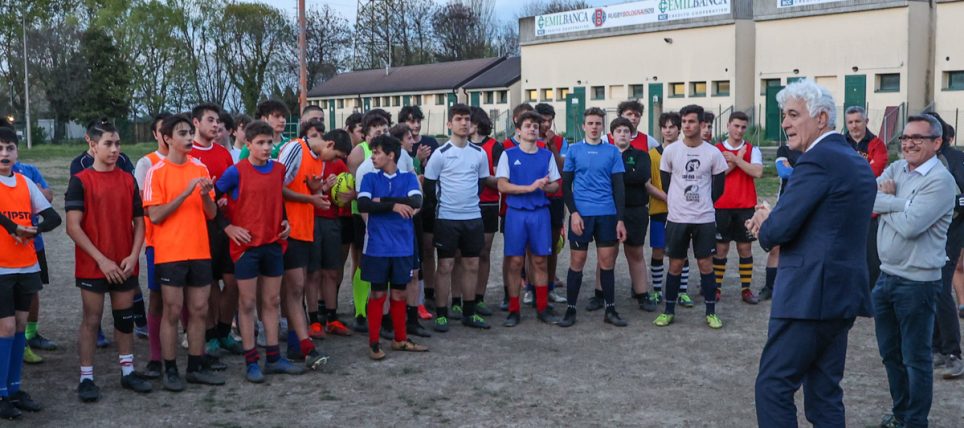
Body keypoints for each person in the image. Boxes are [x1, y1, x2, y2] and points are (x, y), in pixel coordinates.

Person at [748, 80, 876, 427]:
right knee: (824, 394)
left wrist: (765, 219)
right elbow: (824, 221)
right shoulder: (852, 159)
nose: (785, 123)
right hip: (840, 295)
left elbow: (776, 232)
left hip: (809, 296)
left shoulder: (817, 160)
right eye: (783, 115)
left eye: (793, 114)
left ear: (821, 118)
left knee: (773, 386)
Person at [871, 114, 955, 428]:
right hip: (886, 278)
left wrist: (888, 200)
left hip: (918, 284)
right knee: (890, 355)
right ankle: (901, 412)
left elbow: (910, 227)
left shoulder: (941, 181)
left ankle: (915, 421)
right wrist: (899, 202)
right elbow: (871, 196)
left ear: (937, 142)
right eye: (905, 137)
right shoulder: (896, 168)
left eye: (917, 138)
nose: (908, 143)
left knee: (915, 359)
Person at [65, 119, 153, 401]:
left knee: (124, 320)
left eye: (117, 143)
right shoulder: (80, 181)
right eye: (108, 144)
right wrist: (101, 260)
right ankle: (86, 378)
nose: (115, 149)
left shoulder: (128, 180)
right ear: (91, 145)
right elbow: (73, 226)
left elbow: (139, 222)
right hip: (94, 265)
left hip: (125, 263)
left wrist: (133, 254)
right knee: (91, 320)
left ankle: (128, 372)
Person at [142, 114, 225, 391]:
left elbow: (212, 214)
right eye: (182, 133)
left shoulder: (199, 169)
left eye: (190, 132)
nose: (189, 138)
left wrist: (203, 195)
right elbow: (155, 216)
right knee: (172, 311)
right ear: (167, 138)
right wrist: (185, 193)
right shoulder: (157, 171)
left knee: (199, 310)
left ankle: (195, 365)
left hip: (199, 250)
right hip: (170, 254)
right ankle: (170, 369)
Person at [215, 120, 300, 383]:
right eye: (260, 143)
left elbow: (276, 202)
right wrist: (228, 227)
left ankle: (274, 357)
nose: (266, 147)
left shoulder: (278, 170)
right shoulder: (235, 172)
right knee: (247, 303)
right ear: (248, 144)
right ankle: (251, 361)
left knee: (272, 302)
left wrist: (284, 222)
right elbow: (210, 202)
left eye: (269, 143)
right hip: (246, 248)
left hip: (273, 244)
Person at [0, 123, 61, 419]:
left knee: (21, 327)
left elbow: (53, 217)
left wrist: (31, 229)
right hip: (1, 269)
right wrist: (14, 227)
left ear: (17, 152)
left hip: (26, 266)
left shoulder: (24, 183)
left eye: (9, 148)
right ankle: (1, 393)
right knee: (6, 328)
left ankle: (14, 388)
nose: (4, 153)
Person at [654, 105, 728, 329]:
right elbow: (667, 183)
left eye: (691, 122)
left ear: (702, 124)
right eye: (684, 122)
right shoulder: (671, 151)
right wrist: (679, 203)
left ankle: (710, 312)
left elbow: (718, 189)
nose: (687, 126)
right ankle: (668, 310)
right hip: (677, 218)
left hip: (704, 218)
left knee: (706, 265)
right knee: (675, 264)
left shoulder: (712, 153)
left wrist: (703, 202)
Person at [357, 135, 428, 359]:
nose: (373, 157)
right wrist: (395, 205)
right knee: (378, 293)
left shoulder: (408, 178)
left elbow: (416, 202)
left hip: (402, 247)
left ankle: (400, 339)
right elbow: (363, 203)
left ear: (391, 155)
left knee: (399, 293)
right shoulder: (369, 177)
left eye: (377, 153)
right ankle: (374, 343)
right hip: (377, 247)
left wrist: (382, 202)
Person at [423, 103, 492, 331]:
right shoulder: (440, 154)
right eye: (459, 119)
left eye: (467, 119)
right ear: (449, 124)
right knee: (446, 265)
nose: (464, 123)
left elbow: (481, 182)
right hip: (447, 219)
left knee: (472, 263)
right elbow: (430, 187)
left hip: (473, 218)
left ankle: (469, 311)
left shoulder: (479, 154)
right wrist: (446, 207)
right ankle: (441, 313)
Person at [558, 107, 628, 328]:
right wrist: (574, 213)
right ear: (584, 126)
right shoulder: (574, 151)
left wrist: (620, 219)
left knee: (607, 263)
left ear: (603, 126)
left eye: (598, 123)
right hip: (582, 216)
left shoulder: (612, 152)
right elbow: (566, 185)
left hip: (607, 215)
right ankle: (570, 310)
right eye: (591, 123)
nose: (594, 127)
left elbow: (619, 188)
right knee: (577, 262)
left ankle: (610, 309)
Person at [276, 117, 335, 370]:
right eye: (335, 153)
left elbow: (305, 191)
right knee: (294, 288)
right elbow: (277, 185)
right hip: (289, 229)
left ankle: (297, 344)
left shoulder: (319, 159)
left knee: (296, 288)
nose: (332, 160)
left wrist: (317, 191)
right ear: (327, 142)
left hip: (304, 230)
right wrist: (311, 200)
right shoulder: (296, 149)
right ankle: (299, 344)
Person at [189, 104, 243, 369]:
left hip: (227, 226)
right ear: (196, 123)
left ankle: (224, 331)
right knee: (208, 284)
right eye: (209, 120)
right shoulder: (189, 155)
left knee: (233, 283)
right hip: (201, 229)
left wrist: (224, 201)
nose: (215, 125)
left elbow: (232, 187)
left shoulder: (223, 153)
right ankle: (210, 335)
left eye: (218, 120)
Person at [499, 111, 562, 327]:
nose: (532, 129)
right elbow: (502, 185)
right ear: (518, 130)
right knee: (515, 262)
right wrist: (529, 187)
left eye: (535, 125)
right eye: (528, 125)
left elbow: (556, 184)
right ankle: (513, 309)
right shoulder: (508, 154)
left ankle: (542, 307)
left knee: (540, 261)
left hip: (539, 213)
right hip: (516, 213)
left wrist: (547, 186)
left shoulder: (546, 155)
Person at [304, 125, 354, 339]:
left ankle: (332, 317)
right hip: (312, 220)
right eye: (337, 154)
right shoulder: (308, 159)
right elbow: (299, 190)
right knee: (313, 272)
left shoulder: (339, 164)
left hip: (332, 220)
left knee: (331, 271)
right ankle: (314, 319)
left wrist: (348, 195)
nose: (338, 159)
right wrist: (321, 188)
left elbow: (345, 192)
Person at [712, 111, 763, 305]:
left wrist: (737, 159)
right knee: (721, 249)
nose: (739, 130)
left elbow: (757, 172)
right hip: (722, 206)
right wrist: (737, 161)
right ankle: (716, 288)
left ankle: (746, 289)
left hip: (745, 207)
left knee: (745, 248)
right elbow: (718, 174)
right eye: (736, 126)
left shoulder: (752, 150)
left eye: (743, 127)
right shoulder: (716, 149)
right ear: (728, 125)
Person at [345, 112, 389, 332]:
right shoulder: (358, 154)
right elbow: (352, 189)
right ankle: (361, 310)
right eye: (377, 131)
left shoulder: (391, 152)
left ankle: (381, 308)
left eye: (385, 130)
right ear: (367, 133)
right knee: (362, 261)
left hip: (385, 216)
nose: (382, 134)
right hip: (362, 215)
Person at [10, 160, 55, 364]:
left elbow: (48, 198)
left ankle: (30, 335)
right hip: (6, 250)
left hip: (33, 245)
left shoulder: (28, 171)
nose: (5, 152)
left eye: (9, 147)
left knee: (32, 292)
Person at [610, 117, 658, 312]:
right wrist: (627, 174)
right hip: (610, 210)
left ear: (631, 135)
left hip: (635, 210)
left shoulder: (641, 155)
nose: (622, 134)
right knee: (607, 254)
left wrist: (616, 175)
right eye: (618, 131)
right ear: (612, 135)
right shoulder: (607, 155)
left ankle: (642, 294)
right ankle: (599, 294)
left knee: (635, 253)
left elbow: (642, 176)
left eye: (626, 131)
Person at [759, 142, 802, 301]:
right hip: (784, 205)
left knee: (801, 247)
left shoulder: (814, 149)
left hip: (807, 205)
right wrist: (807, 171)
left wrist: (794, 169)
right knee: (775, 246)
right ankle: (769, 287)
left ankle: (795, 288)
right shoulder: (784, 149)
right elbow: (784, 172)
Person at [468, 107, 500, 319]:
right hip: (465, 206)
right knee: (463, 255)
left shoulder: (494, 146)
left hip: (488, 205)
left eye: (467, 119)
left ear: (477, 123)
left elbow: (499, 181)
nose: (463, 124)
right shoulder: (461, 146)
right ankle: (460, 299)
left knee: (483, 253)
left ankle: (479, 297)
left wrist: (480, 175)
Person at [645, 113, 676, 307]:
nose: (668, 130)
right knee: (658, 250)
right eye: (665, 127)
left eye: (672, 127)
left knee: (679, 251)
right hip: (658, 209)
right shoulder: (652, 154)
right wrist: (667, 198)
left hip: (681, 212)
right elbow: (646, 184)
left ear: (678, 129)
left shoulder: (686, 151)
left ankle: (681, 292)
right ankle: (657, 290)